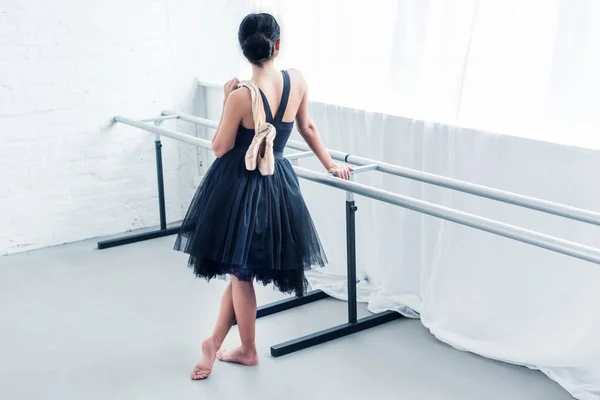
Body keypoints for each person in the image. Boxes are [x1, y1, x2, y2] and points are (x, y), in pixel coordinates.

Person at [173, 12, 353, 380]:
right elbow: (307, 127)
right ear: (278, 44)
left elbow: (221, 147)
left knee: (241, 274)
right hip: (277, 184)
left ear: (244, 49)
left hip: (239, 186)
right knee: (242, 270)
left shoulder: (241, 95)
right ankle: (216, 342)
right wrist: (330, 164)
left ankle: (247, 349)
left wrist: (226, 102)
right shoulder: (297, 81)